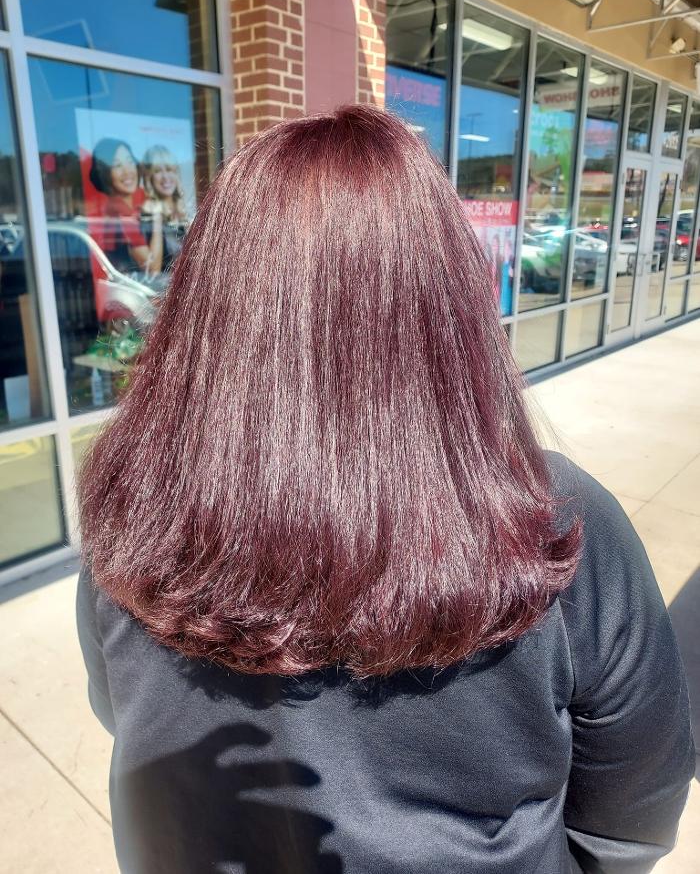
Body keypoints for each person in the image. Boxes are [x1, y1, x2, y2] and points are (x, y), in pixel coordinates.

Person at [77, 105, 694, 874]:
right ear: (451, 304)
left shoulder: (136, 512)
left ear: (206, 304)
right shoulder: (553, 518)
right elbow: (631, 817)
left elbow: (123, 714)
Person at [88, 138, 163, 276]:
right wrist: (158, 218)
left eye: (130, 161)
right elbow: (153, 268)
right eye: (117, 165)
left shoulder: (134, 203)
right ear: (106, 173)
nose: (127, 171)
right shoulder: (119, 211)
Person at [140, 144, 189, 270]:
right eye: (157, 171)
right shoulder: (148, 216)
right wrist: (157, 218)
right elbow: (153, 270)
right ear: (149, 177)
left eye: (169, 170)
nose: (165, 177)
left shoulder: (183, 212)